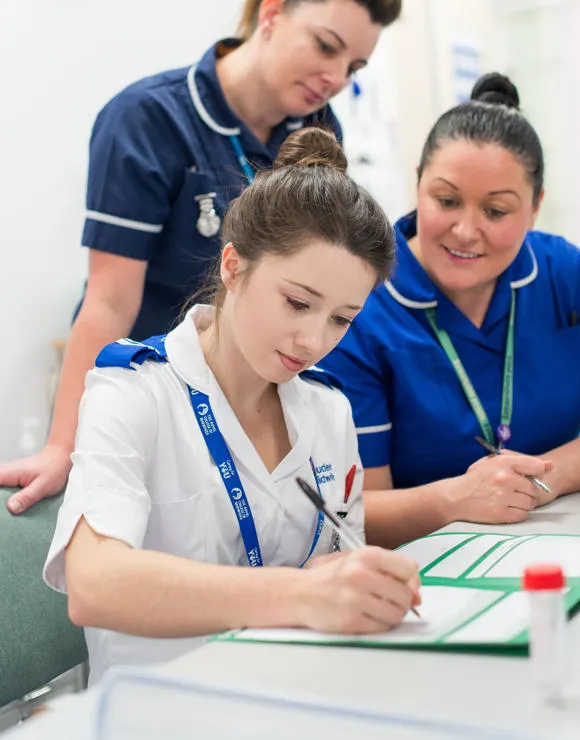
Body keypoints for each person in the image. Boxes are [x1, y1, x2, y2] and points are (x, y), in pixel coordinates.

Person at [0, 0, 402, 514]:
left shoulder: (317, 129)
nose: (335, 78)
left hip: (252, 396)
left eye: (354, 68)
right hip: (150, 402)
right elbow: (110, 301)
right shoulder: (149, 120)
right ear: (272, 15)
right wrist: (66, 445)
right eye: (326, 46)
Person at [43, 128, 421, 683]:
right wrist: (303, 591)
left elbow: (339, 554)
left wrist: (360, 582)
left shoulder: (328, 409)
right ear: (233, 266)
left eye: (341, 319)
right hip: (161, 709)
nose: (313, 342)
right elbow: (95, 585)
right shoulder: (131, 391)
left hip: (300, 690)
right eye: (297, 302)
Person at [323, 73, 580, 548]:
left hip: (558, 537)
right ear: (418, 185)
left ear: (535, 208)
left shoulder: (566, 275)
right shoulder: (361, 301)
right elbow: (357, 511)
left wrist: (532, 486)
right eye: (446, 201)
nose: (466, 231)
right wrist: (455, 499)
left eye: (496, 211)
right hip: (425, 568)